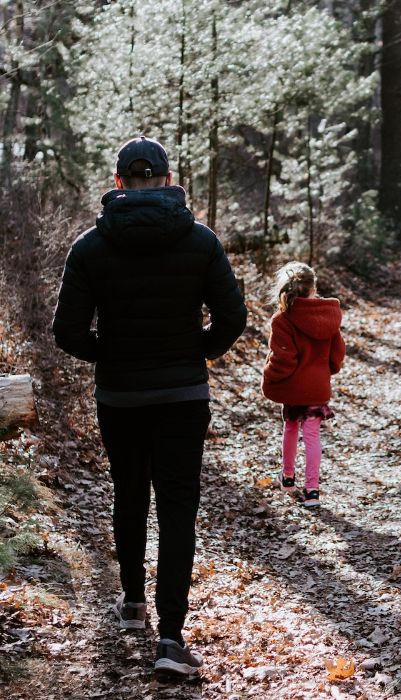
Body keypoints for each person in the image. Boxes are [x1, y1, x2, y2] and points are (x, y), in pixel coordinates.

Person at [52, 136, 247, 677]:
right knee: (178, 508)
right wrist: (196, 353)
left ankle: (133, 603)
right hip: (183, 395)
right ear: (166, 180)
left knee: (129, 492)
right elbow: (233, 318)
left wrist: (109, 356)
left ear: (119, 182)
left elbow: (66, 330)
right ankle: (170, 638)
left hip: (121, 394)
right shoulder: (200, 241)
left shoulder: (90, 245)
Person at [261, 261, 345, 508]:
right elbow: (337, 354)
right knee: (312, 436)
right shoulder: (328, 316)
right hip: (317, 387)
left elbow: (283, 360)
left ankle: (287, 478)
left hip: (293, 388)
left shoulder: (283, 319)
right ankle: (313, 491)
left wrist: (270, 376)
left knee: (290, 428)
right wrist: (324, 371)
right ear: (313, 287)